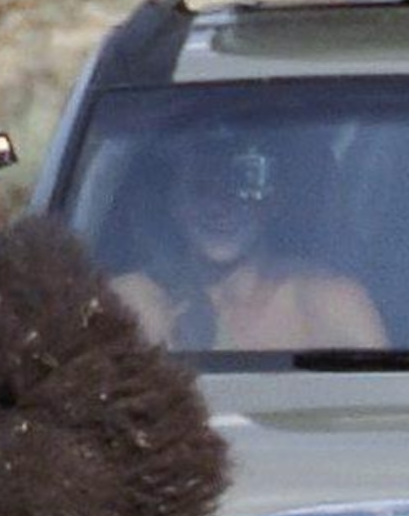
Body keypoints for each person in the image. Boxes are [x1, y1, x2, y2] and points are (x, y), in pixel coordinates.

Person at [106, 131, 384, 353]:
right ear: (174, 202)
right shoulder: (134, 303)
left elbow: (383, 413)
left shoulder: (331, 305)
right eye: (201, 187)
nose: (219, 206)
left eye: (242, 185)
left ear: (275, 198)